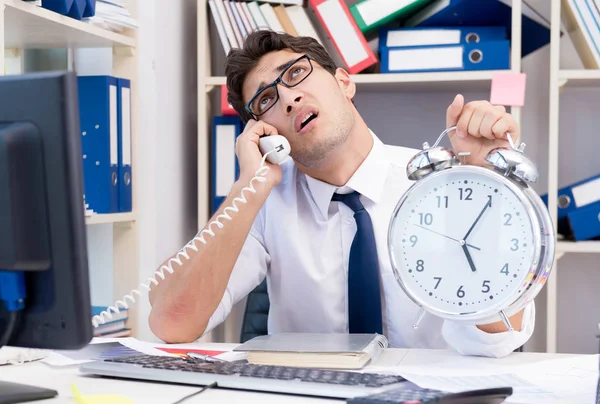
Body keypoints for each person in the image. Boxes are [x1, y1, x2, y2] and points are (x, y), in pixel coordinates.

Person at [148, 30, 534, 358]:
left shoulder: (443, 184)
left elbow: (497, 341)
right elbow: (173, 324)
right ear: (262, 132)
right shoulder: (264, 203)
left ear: (344, 82)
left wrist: (486, 188)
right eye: (266, 100)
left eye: (296, 74)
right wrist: (245, 189)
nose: (287, 98)